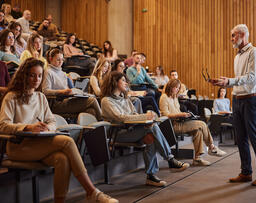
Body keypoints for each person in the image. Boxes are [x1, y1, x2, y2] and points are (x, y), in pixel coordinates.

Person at [0, 58, 118, 203]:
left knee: (62, 159)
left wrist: (46, 127)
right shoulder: (11, 97)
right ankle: (92, 192)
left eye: (39, 75)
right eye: (32, 75)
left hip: (38, 144)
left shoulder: (40, 97)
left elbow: (52, 121)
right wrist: (27, 127)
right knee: (67, 142)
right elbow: (3, 126)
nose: (36, 79)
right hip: (18, 146)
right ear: (23, 76)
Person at [100, 71, 190, 187]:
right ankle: (170, 159)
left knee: (150, 137)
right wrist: (144, 117)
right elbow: (120, 118)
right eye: (123, 80)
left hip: (132, 129)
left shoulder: (125, 98)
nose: (126, 83)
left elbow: (133, 114)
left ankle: (151, 176)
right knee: (152, 127)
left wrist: (146, 118)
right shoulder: (106, 101)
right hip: (118, 133)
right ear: (114, 82)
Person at [214, 24, 256, 186]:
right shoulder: (237, 56)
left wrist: (230, 81)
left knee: (255, 138)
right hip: (236, 99)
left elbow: (252, 78)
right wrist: (225, 83)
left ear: (243, 35)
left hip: (250, 100)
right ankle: (246, 172)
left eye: (233, 35)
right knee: (241, 138)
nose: (231, 39)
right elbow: (239, 80)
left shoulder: (255, 53)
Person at [159, 79, 227, 166]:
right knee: (202, 124)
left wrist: (185, 115)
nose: (177, 89)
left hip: (180, 121)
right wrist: (181, 114)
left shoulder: (175, 97)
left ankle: (197, 159)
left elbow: (177, 111)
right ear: (170, 87)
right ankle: (211, 147)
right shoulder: (164, 97)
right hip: (172, 125)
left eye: (178, 88)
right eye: (175, 87)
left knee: (198, 131)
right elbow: (165, 115)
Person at [42, 48, 103, 120]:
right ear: (51, 58)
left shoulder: (62, 73)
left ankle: (93, 130)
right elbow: (45, 91)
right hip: (57, 104)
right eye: (58, 59)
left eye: (62, 60)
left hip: (66, 99)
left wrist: (71, 91)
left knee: (91, 111)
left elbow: (67, 89)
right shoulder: (48, 72)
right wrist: (61, 92)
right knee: (92, 100)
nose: (61, 62)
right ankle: (104, 121)